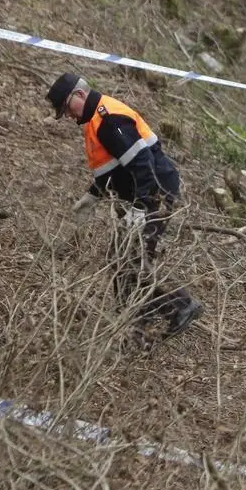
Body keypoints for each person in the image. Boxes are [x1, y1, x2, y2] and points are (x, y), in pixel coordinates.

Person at [45, 72, 204, 339]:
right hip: (140, 195)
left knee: (131, 257)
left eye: (67, 108)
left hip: (155, 193)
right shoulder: (95, 121)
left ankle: (178, 306)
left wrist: (141, 208)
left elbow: (143, 164)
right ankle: (135, 320)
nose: (69, 116)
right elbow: (112, 169)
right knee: (120, 256)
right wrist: (93, 196)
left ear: (79, 95)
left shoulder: (109, 120)